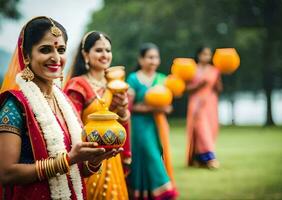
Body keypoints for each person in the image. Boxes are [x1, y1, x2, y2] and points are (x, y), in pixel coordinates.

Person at [0, 16, 120, 200]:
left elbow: (74, 172)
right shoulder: (14, 106)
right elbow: (6, 174)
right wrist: (68, 160)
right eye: (45, 49)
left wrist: (94, 161)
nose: (56, 57)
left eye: (61, 49)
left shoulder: (64, 103)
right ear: (26, 56)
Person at [64, 31, 131, 200]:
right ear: (86, 54)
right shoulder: (78, 85)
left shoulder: (115, 85)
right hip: (88, 157)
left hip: (113, 156)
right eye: (99, 50)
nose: (105, 55)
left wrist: (122, 110)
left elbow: (122, 122)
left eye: (108, 50)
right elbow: (71, 125)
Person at [127, 43, 178, 200]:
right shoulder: (133, 78)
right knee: (150, 154)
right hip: (140, 125)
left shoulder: (163, 79)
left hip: (159, 124)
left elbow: (168, 107)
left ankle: (146, 193)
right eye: (149, 57)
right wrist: (150, 108)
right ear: (141, 59)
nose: (153, 61)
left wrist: (163, 109)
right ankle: (165, 191)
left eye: (156, 57)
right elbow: (129, 107)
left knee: (158, 153)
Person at [186, 47, 223, 169]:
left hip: (210, 103)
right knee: (201, 129)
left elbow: (218, 89)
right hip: (196, 102)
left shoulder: (214, 70)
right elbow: (185, 89)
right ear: (198, 55)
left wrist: (221, 73)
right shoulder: (191, 69)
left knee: (211, 128)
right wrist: (199, 85)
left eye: (209, 54)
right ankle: (210, 158)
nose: (206, 57)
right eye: (204, 54)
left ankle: (199, 158)